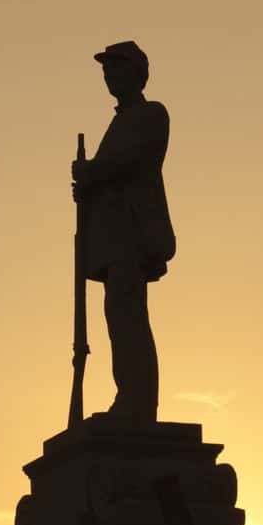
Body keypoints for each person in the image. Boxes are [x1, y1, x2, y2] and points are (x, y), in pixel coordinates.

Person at [71, 40, 175, 423]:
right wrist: (89, 186)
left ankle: (138, 403)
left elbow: (131, 160)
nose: (109, 76)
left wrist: (92, 172)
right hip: (114, 238)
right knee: (119, 315)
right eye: (105, 71)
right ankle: (129, 398)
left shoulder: (151, 114)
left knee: (129, 316)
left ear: (137, 73)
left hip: (132, 234)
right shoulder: (120, 121)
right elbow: (112, 171)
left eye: (115, 69)